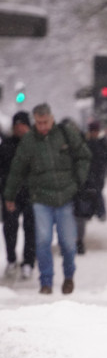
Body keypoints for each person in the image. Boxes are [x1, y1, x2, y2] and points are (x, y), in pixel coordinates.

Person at [3, 103, 91, 295]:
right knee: (42, 241)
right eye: (39, 122)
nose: (42, 126)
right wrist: (9, 196)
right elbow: (17, 170)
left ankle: (68, 276)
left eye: (45, 122)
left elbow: (84, 156)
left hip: (66, 196)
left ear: (52, 119)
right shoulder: (28, 141)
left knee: (68, 243)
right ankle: (46, 281)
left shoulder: (65, 134)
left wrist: (77, 181)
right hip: (41, 198)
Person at [0, 111, 36, 280]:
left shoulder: (37, 145)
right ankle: (11, 259)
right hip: (11, 195)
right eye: (17, 126)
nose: (20, 129)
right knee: (10, 228)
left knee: (31, 229)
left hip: (32, 194)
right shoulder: (6, 146)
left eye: (23, 126)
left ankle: (28, 263)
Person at [75, 120, 107, 254]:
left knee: (95, 197)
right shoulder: (85, 143)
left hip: (96, 179)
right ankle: (79, 240)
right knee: (81, 211)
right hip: (85, 180)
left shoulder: (101, 143)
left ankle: (99, 212)